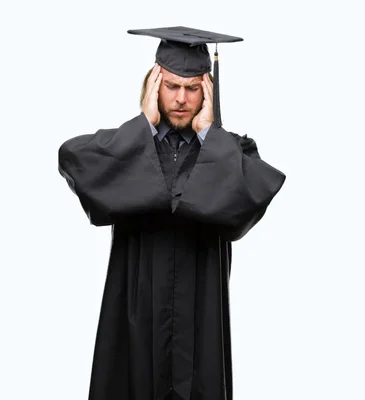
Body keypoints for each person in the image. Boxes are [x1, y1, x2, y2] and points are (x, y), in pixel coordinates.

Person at [57, 26, 286, 400]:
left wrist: (211, 135)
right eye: (172, 86)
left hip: (201, 316)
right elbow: (73, 159)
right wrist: (142, 126)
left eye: (193, 88)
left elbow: (252, 195)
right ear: (154, 85)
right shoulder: (130, 147)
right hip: (135, 313)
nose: (181, 99)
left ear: (207, 92)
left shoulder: (230, 152)